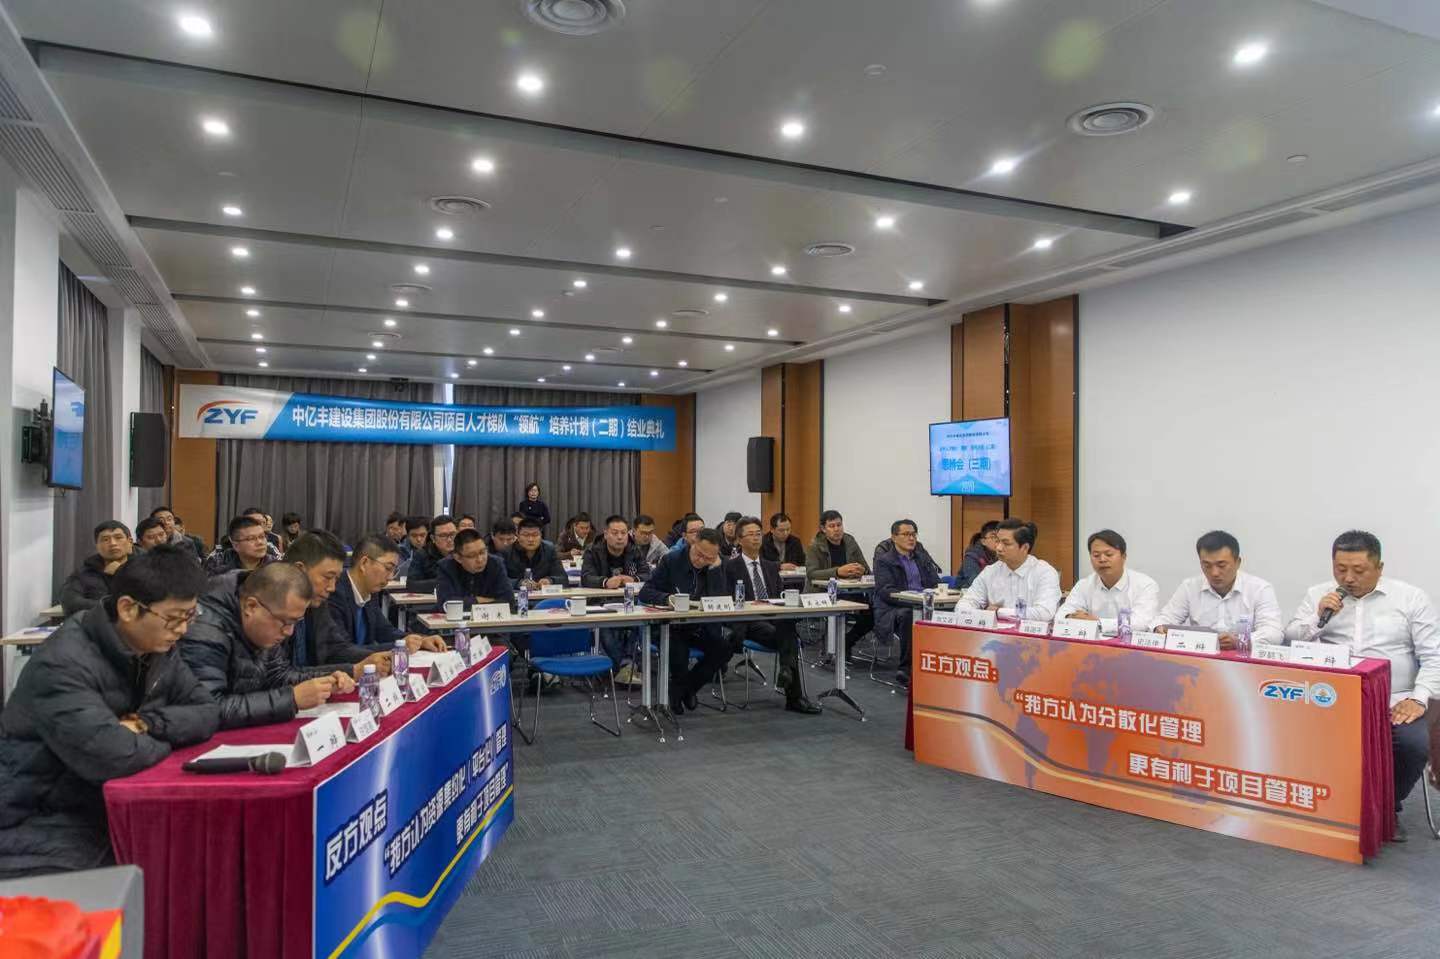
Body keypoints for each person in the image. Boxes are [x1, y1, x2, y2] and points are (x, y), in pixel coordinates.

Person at [0, 547, 219, 878]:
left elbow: (207, 710)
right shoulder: (62, 663)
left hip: (101, 806)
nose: (183, 630)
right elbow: (113, 756)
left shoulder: (156, 648)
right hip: (37, 821)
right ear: (128, 608)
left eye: (191, 617)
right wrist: (147, 738)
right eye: (174, 618)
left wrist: (147, 724)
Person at [1283, 530, 1438, 840]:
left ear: (1379, 568)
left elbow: (1434, 655)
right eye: (1340, 569)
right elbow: (1289, 640)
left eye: (1359, 570)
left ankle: (1385, 807)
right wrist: (1317, 618)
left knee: (1412, 745)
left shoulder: (1410, 598)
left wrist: (1419, 699)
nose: (1348, 578)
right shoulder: (1319, 595)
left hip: (1394, 699)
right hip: (1330, 698)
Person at [181, 564, 356, 729]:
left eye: (295, 622)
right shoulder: (205, 630)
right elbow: (207, 709)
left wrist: (326, 681)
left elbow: (278, 675)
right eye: (286, 622)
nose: (289, 632)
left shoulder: (266, 620)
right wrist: (292, 699)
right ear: (251, 606)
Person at [725, 517, 821, 714]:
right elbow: (726, 600)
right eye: (750, 534)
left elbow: (778, 597)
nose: (756, 538)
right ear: (739, 540)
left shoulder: (770, 566)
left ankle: (786, 671)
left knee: (787, 629)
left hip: (774, 619)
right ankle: (794, 697)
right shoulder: (729, 567)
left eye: (758, 534)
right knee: (789, 637)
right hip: (748, 621)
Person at [640, 528, 730, 714]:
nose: (701, 560)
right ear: (693, 542)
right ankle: (682, 690)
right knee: (679, 653)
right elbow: (645, 592)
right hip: (670, 628)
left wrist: (714, 570)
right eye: (699, 554)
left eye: (708, 558)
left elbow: (720, 600)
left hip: (698, 627)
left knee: (723, 648)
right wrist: (667, 599)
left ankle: (684, 689)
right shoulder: (671, 560)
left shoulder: (717, 565)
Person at [282, 531, 391, 676]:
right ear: (299, 570)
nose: (332, 588)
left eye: (336, 579)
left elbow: (335, 648)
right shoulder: (270, 608)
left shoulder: (317, 603)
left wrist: (380, 658)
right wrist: (354, 670)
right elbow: (280, 676)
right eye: (328, 577)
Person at [1155, 530, 1282, 649]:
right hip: (1200, 658)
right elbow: (1164, 619)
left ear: (1238, 562)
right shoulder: (1189, 587)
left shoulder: (1260, 589)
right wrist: (1159, 629)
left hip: (1243, 661)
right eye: (1207, 565)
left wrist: (1240, 640)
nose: (1214, 573)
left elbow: (1274, 632)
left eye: (1221, 565)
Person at [329, 535, 446, 654]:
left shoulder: (371, 590)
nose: (390, 577)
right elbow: (342, 651)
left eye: (394, 571)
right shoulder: (333, 592)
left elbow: (384, 631)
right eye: (388, 568)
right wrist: (400, 646)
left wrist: (421, 640)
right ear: (364, 563)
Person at [873, 519, 942, 685]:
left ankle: (939, 664)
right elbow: (885, 591)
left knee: (949, 612)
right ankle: (905, 668)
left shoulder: (921, 558)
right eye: (906, 534)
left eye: (913, 535)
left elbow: (935, 582)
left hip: (923, 603)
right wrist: (911, 599)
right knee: (909, 615)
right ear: (894, 537)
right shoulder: (884, 561)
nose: (911, 538)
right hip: (894, 608)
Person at [581, 516, 650, 677]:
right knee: (605, 626)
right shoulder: (593, 551)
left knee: (641, 622)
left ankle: (626, 663)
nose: (620, 537)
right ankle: (624, 665)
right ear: (606, 534)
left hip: (628, 602)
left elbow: (648, 574)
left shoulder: (634, 550)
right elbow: (586, 577)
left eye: (623, 533)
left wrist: (634, 579)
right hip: (600, 603)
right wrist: (605, 582)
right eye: (615, 533)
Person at [957, 518, 1062, 621]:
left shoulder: (1044, 572)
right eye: (997, 541)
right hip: (994, 631)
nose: (998, 548)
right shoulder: (990, 571)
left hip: (1030, 632)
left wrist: (999, 612)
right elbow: (963, 605)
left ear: (1025, 547)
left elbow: (1044, 613)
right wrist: (984, 614)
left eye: (1006, 544)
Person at [804, 510, 874, 661]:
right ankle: (834, 649)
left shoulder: (850, 541)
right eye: (832, 526)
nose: (837, 529)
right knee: (838, 612)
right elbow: (812, 573)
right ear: (823, 529)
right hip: (823, 593)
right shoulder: (815, 546)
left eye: (839, 525)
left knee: (872, 613)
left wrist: (862, 570)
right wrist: (837, 571)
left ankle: (845, 643)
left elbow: (866, 568)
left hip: (851, 591)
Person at [1057, 530, 1161, 630]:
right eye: (1096, 555)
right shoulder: (1084, 585)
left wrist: (1098, 623)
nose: (1102, 559)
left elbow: (1140, 623)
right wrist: (1071, 617)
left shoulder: (1145, 585)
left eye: (1109, 554)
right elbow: (1061, 615)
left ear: (1123, 557)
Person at [59, 520, 133, 616]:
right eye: (105, 539)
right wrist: (113, 607)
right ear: (97, 546)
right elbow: (71, 603)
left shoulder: (145, 568)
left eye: (118, 538)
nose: (113, 543)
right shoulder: (84, 574)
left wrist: (121, 573)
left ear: (130, 542)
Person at [437, 529, 516, 611]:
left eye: (483, 552)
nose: (480, 560)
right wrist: (477, 600)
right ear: (458, 558)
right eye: (472, 556)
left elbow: (509, 602)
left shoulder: (496, 564)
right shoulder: (446, 567)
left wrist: (471, 602)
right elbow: (446, 605)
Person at [202, 514, 278, 577]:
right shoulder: (217, 562)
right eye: (251, 538)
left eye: (262, 537)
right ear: (235, 545)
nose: (260, 542)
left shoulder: (275, 565)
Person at [505, 518, 567, 588]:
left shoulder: (549, 550)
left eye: (535, 535)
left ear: (541, 536)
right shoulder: (507, 552)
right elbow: (499, 580)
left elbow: (563, 578)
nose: (531, 539)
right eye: (526, 535)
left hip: (542, 593)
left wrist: (550, 581)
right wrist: (519, 583)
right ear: (518, 536)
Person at [406, 513, 456, 583]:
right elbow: (412, 584)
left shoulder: (464, 553)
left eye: (452, 534)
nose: (449, 540)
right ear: (433, 538)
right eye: (443, 535)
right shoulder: (422, 555)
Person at [956, 520, 1000, 588]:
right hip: (966, 592)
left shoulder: (1002, 556)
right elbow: (975, 581)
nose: (997, 540)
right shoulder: (972, 556)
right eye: (993, 537)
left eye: (999, 537)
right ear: (983, 541)